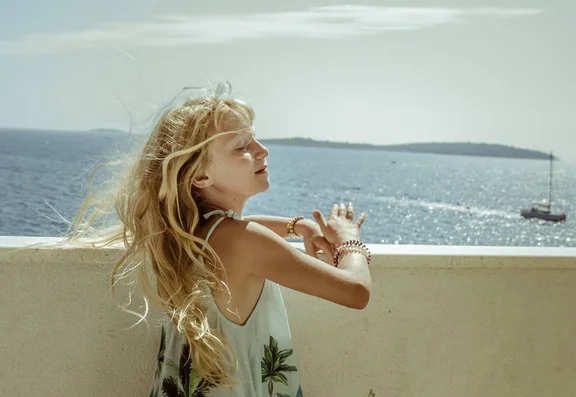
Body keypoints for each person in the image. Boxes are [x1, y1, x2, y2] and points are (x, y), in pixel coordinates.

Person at [58, 82, 372, 397]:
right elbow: (356, 293)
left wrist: (298, 226)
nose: (263, 150)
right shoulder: (243, 243)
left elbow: (241, 228)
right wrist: (349, 241)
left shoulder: (186, 231)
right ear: (201, 176)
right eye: (242, 146)